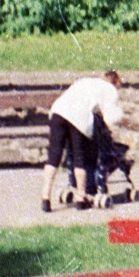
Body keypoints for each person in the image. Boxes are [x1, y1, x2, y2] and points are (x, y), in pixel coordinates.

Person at [40, 71, 123, 212]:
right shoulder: (109, 89)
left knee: (54, 156)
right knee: (79, 157)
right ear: (115, 82)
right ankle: (80, 198)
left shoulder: (86, 81)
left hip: (58, 111)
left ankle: (45, 198)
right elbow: (111, 116)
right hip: (78, 118)